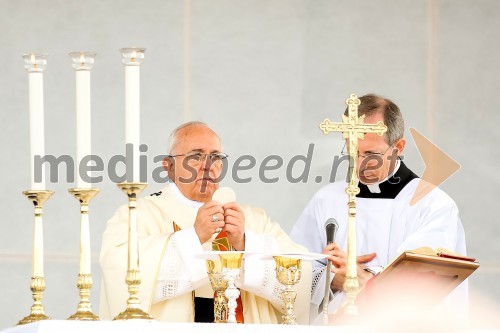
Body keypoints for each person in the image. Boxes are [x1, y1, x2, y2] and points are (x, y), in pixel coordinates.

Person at [99, 121, 311, 324]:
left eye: (216, 157)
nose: (208, 166)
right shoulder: (138, 215)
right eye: (196, 156)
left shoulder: (254, 220)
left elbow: (301, 276)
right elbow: (119, 274)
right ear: (169, 167)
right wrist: (194, 237)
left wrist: (245, 243)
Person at [290, 94, 467, 322]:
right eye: (352, 152)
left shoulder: (433, 205)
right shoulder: (327, 199)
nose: (360, 165)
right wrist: (333, 278)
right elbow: (295, 268)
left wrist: (360, 278)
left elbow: (424, 285)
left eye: (371, 155)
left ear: (398, 147)